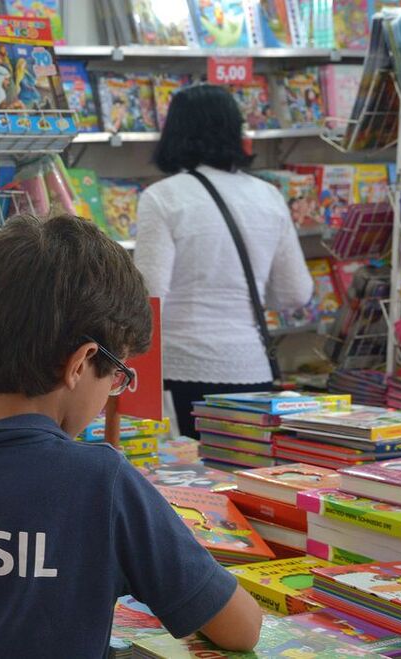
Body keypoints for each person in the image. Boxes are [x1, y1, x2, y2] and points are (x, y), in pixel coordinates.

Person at [0, 214, 263, 657]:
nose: (111, 393)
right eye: (117, 376)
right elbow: (241, 628)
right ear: (81, 363)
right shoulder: (101, 481)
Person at [134, 84, 314, 438]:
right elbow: (295, 293)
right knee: (246, 484)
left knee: (187, 487)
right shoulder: (269, 196)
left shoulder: (162, 198)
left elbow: (149, 293)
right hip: (252, 370)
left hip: (181, 369)